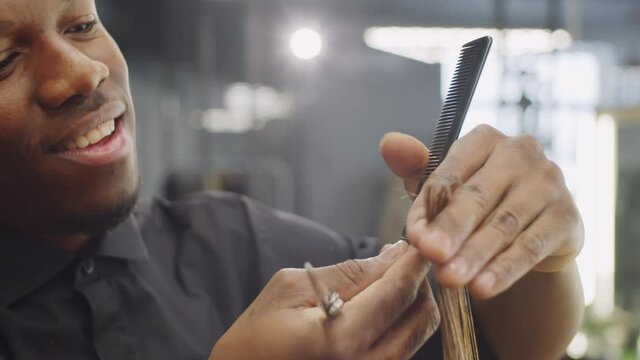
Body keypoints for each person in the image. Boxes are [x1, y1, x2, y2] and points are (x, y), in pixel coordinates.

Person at [0, 0, 584, 359]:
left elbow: (512, 343)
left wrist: (536, 257)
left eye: (81, 25)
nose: (83, 72)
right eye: (4, 59)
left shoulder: (236, 242)